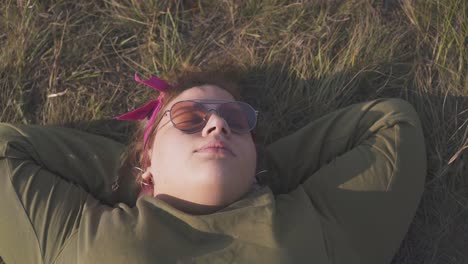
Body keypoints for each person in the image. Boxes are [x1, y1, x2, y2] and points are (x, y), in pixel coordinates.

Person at [0, 69, 426, 263]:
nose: (219, 123)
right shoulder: (76, 235)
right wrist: (134, 172)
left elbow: (392, 124)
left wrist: (255, 172)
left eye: (237, 122)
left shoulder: (311, 225)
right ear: (146, 165)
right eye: (190, 120)